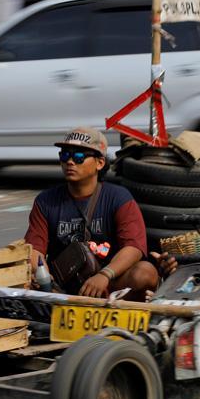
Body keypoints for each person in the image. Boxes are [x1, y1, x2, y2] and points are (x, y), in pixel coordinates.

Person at [24, 127, 158, 300]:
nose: (70, 162)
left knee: (145, 273)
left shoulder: (119, 197)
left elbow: (134, 248)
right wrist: (45, 280)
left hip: (108, 282)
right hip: (63, 285)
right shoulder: (45, 201)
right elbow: (34, 249)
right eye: (65, 155)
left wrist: (105, 275)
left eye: (79, 157)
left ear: (100, 163)